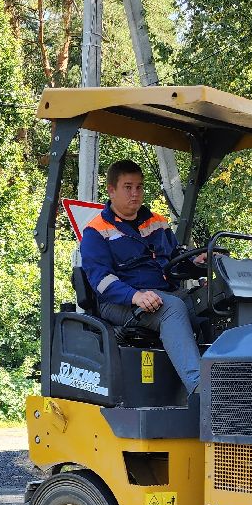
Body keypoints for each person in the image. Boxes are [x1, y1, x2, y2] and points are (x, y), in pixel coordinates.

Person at [78, 160, 202, 393]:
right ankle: (200, 390)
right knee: (172, 308)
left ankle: (235, 382)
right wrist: (135, 296)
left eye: (139, 187)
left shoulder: (157, 222)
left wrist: (195, 261)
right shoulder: (96, 231)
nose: (135, 193)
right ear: (111, 190)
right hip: (119, 302)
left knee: (211, 302)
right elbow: (101, 281)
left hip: (163, 294)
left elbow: (175, 257)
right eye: (128, 187)